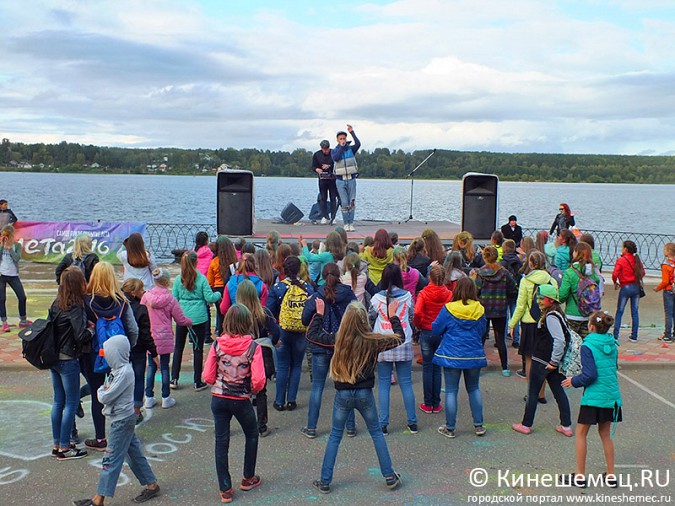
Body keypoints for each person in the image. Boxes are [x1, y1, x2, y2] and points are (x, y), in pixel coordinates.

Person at [309, 299, 403, 494]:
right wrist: (393, 316)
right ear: (364, 320)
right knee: (376, 433)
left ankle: (325, 481)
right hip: (364, 393)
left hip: (342, 394)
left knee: (335, 435)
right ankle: (389, 476)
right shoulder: (372, 340)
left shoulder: (337, 339)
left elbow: (312, 335)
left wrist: (319, 314)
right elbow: (399, 338)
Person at [73, 336, 160, 506]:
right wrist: (102, 391)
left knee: (110, 459)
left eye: (107, 353)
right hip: (120, 418)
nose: (104, 356)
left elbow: (105, 396)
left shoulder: (125, 372)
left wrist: (102, 391)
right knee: (133, 453)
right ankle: (152, 484)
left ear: (116, 353)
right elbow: (104, 392)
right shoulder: (115, 371)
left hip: (122, 420)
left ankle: (99, 499)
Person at [203, 303, 265, 503]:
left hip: (219, 398)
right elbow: (258, 380)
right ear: (248, 322)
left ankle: (225, 489)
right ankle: (248, 477)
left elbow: (207, 375)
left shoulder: (217, 345)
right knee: (252, 434)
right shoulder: (253, 347)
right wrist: (253, 390)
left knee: (221, 442)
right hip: (240, 399)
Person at [562, 311, 622, 489]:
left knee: (581, 433)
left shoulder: (587, 345)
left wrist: (574, 381)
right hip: (611, 396)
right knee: (606, 435)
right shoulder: (613, 344)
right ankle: (611, 475)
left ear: (591, 327)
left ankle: (580, 475)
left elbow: (590, 374)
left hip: (593, 397)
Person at [83, 261, 139, 452]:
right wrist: (128, 348)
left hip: (95, 355)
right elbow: (133, 329)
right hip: (119, 355)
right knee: (122, 393)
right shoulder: (122, 302)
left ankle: (100, 437)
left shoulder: (86, 302)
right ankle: (125, 436)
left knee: (97, 393)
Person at [301, 263, 357, 438]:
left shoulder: (317, 295)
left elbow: (304, 320)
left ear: (323, 276)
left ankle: (311, 427)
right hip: (341, 344)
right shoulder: (348, 294)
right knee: (345, 385)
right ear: (339, 275)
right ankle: (350, 427)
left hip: (319, 345)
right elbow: (358, 315)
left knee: (317, 387)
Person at [512, 284, 573, 437]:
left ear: (551, 300)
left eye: (541, 298)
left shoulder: (551, 317)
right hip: (551, 362)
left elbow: (559, 340)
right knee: (559, 392)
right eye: (537, 298)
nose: (538, 301)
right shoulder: (557, 314)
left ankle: (526, 424)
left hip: (543, 361)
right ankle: (566, 425)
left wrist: (553, 361)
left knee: (533, 392)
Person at [432, 277, 487, 438]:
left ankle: (450, 428)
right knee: (474, 388)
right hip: (473, 354)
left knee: (451, 391)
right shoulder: (479, 309)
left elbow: (436, 328)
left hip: (451, 353)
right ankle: (478, 426)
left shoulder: (449, 308)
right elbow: (483, 330)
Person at [49, 266, 92, 460]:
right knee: (71, 402)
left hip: (54, 358)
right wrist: (92, 330)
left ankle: (57, 443)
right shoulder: (75, 305)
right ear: (77, 284)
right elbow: (80, 335)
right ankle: (65, 448)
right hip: (68, 359)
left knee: (58, 401)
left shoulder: (56, 303)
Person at [370, 264, 417, 434]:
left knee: (383, 384)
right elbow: (411, 317)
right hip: (403, 342)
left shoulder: (376, 298)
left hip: (383, 343)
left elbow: (370, 318)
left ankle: (383, 423)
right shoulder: (407, 296)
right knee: (406, 383)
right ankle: (412, 422)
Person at [266, 256, 314, 411]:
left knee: (282, 366)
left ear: (284, 270)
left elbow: (269, 312)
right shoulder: (307, 288)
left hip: (283, 331)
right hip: (301, 332)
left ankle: (279, 401)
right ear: (300, 269)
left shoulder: (278, 288)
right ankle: (292, 400)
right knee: (296, 366)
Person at [170, 251, 222, 391]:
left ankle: (174, 378)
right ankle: (197, 381)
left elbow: (174, 299)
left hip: (182, 317)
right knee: (197, 349)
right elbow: (210, 297)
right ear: (196, 262)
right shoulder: (201, 278)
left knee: (178, 348)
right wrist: (219, 293)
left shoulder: (177, 279)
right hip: (198, 317)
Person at [142, 269, 192, 410]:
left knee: (151, 367)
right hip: (165, 336)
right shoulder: (170, 299)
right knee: (164, 367)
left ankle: (149, 397)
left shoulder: (146, 297)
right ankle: (165, 397)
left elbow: (140, 313)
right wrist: (190, 321)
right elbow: (180, 319)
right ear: (167, 281)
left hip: (151, 336)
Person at [236, 280, 279, 437]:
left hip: (242, 356)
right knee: (261, 392)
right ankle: (262, 426)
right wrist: (273, 342)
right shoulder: (264, 312)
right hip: (262, 356)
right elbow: (276, 332)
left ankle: (248, 425)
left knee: (243, 391)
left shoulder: (236, 314)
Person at [508, 251, 556, 394]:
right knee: (544, 357)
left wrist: (512, 324)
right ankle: (541, 392)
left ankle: (532, 393)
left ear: (531, 264)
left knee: (529, 358)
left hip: (529, 322)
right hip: (546, 322)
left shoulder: (526, 281)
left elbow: (521, 305)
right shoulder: (551, 280)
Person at [414, 264, 452, 414]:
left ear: (430, 277)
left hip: (426, 331)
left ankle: (428, 403)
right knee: (437, 367)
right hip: (441, 332)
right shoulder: (448, 294)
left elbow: (417, 312)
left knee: (427, 367)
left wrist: (419, 324)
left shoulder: (424, 293)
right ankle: (436, 403)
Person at [474, 246, 516, 376]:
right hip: (500, 309)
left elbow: (476, 291)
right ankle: (505, 368)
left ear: (485, 257)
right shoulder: (504, 272)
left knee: (481, 339)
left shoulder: (480, 273)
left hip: (484, 309)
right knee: (500, 339)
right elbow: (513, 288)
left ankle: (477, 367)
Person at [122, 278, 159, 424]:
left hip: (121, 348)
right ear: (133, 292)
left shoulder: (117, 305)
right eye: (141, 289)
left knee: (119, 378)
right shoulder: (141, 309)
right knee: (138, 379)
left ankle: (122, 408)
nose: (143, 291)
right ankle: (136, 411)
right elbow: (146, 334)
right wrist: (154, 353)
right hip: (138, 349)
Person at [559, 242, 604, 340]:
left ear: (576, 253)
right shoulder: (593, 272)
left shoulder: (570, 272)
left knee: (572, 345)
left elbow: (562, 295)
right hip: (589, 314)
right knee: (585, 344)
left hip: (572, 315)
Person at [611, 240, 645, 342]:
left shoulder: (621, 260)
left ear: (625, 248)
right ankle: (634, 335)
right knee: (635, 311)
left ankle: (615, 335)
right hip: (636, 286)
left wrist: (615, 282)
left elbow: (615, 274)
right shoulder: (636, 260)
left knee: (620, 311)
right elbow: (643, 272)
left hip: (625, 286)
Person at [0, 225, 31, 331]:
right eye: (4, 235)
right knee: (1, 298)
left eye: (8, 236)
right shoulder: (0, 245)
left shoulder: (16, 245)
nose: (6, 238)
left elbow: (17, 258)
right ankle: (4, 322)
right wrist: (2, 245)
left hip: (13, 275)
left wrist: (9, 249)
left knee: (22, 297)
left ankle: (23, 320)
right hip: (2, 275)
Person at [331, 125, 361, 231]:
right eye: (341, 139)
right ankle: (346, 223)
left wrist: (352, 132)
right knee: (344, 203)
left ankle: (351, 223)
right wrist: (341, 147)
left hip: (351, 179)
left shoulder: (351, 149)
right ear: (337, 140)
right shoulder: (334, 150)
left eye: (344, 138)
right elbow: (336, 157)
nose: (343, 140)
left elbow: (358, 144)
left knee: (351, 201)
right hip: (340, 180)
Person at [208, 236, 238, 337]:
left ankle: (221, 334)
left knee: (220, 314)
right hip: (231, 287)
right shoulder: (234, 261)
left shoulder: (214, 262)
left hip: (218, 289)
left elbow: (210, 281)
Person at [501, 239, 523, 348]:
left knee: (504, 316)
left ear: (504, 250)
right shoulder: (519, 262)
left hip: (504, 292)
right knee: (515, 314)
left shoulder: (502, 263)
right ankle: (516, 339)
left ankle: (502, 339)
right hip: (516, 291)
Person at [312, 140, 338, 225]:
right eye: (324, 149)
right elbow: (313, 166)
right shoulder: (317, 154)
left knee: (333, 198)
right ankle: (324, 216)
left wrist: (329, 166)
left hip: (332, 179)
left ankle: (333, 217)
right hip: (322, 179)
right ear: (321, 148)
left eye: (326, 149)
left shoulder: (334, 153)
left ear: (329, 147)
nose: (325, 151)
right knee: (323, 198)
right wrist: (317, 169)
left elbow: (337, 163)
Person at [654, 243, 675, 342]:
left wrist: (658, 288)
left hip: (668, 290)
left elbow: (665, 281)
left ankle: (667, 335)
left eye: (665, 250)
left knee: (668, 313)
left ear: (669, 252)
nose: (664, 251)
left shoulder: (666, 266)